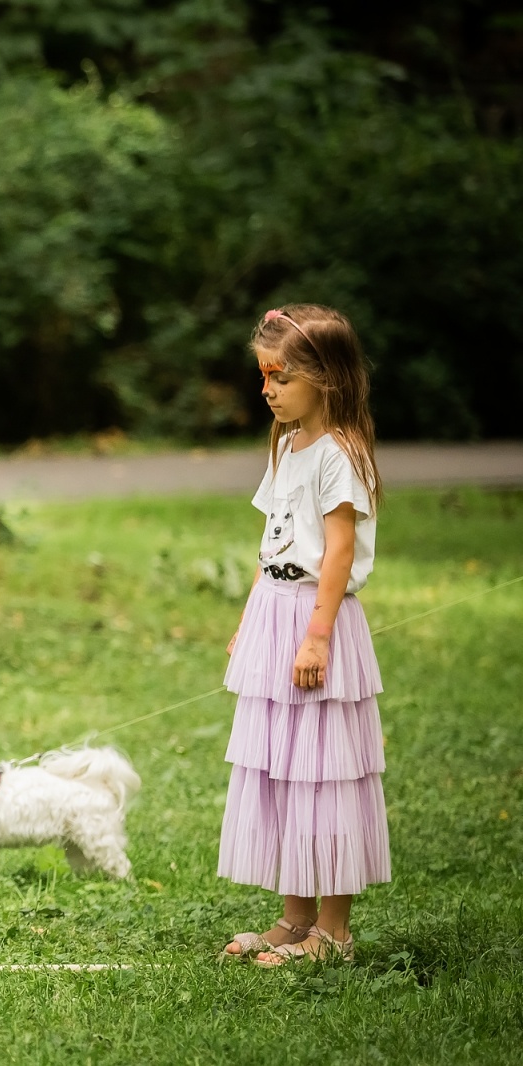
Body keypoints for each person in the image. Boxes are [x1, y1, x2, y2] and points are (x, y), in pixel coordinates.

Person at [220, 304, 389, 966]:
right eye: (264, 375)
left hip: (318, 620)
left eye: (281, 377)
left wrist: (317, 638)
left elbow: (338, 554)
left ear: (326, 378)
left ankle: (334, 932)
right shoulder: (287, 447)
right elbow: (273, 545)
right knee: (285, 771)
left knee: (325, 772)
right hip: (275, 612)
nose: (267, 389)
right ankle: (295, 920)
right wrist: (248, 623)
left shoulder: (339, 456)